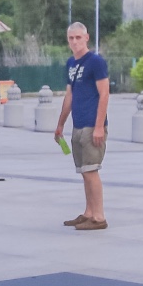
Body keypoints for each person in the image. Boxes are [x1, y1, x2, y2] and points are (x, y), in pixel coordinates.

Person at [53, 22, 110, 231]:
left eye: (78, 37)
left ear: (86, 38)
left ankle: (99, 216)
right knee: (84, 170)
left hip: (92, 124)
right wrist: (60, 124)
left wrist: (98, 126)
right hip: (78, 124)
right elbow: (70, 95)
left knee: (91, 170)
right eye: (71, 38)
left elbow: (104, 93)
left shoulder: (95, 62)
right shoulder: (71, 64)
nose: (75, 42)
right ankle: (88, 213)